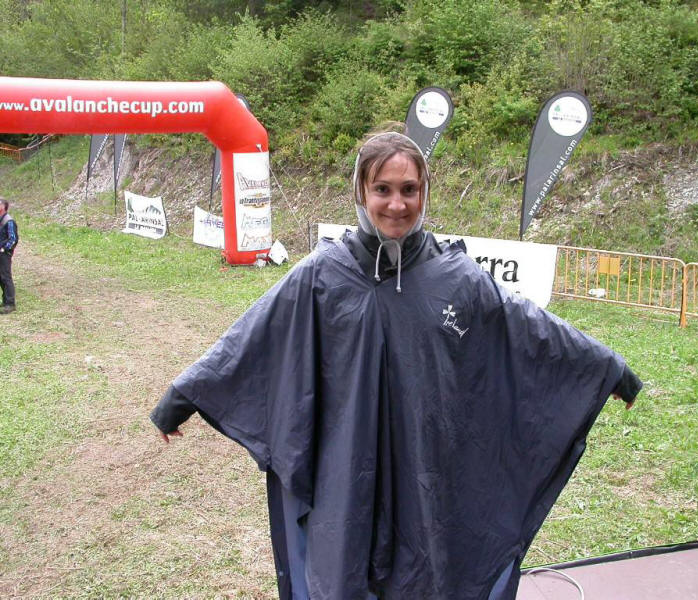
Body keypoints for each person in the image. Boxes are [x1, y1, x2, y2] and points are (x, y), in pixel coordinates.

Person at [150, 130, 641, 600]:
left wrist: (607, 369)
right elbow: (253, 335)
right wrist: (181, 398)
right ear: (360, 193)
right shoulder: (324, 275)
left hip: (428, 469)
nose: (397, 204)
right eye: (382, 189)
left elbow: (528, 327)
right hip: (346, 468)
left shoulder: (456, 277)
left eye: (409, 189)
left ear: (425, 193)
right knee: (344, 571)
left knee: (425, 573)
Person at [0, 199, 17, 314]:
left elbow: (13, 239)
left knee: (6, 277)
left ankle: (10, 304)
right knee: (1, 277)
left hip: (4, 253)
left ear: (3, 207)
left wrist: (3, 249)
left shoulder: (9, 221)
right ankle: (5, 301)